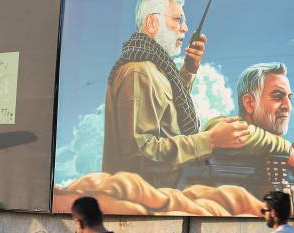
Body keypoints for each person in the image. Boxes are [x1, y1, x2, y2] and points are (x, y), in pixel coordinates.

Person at [102, 0, 250, 188]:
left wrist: (189, 69)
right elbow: (141, 154)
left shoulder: (155, 68)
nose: (185, 28)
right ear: (152, 24)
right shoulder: (139, 73)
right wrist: (210, 140)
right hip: (151, 197)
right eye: (178, 20)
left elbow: (169, 112)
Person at [203, 63, 294, 216]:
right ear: (249, 103)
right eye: (278, 96)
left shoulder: (273, 152)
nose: (288, 106)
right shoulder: (222, 127)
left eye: (289, 98)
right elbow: (240, 132)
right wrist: (292, 155)